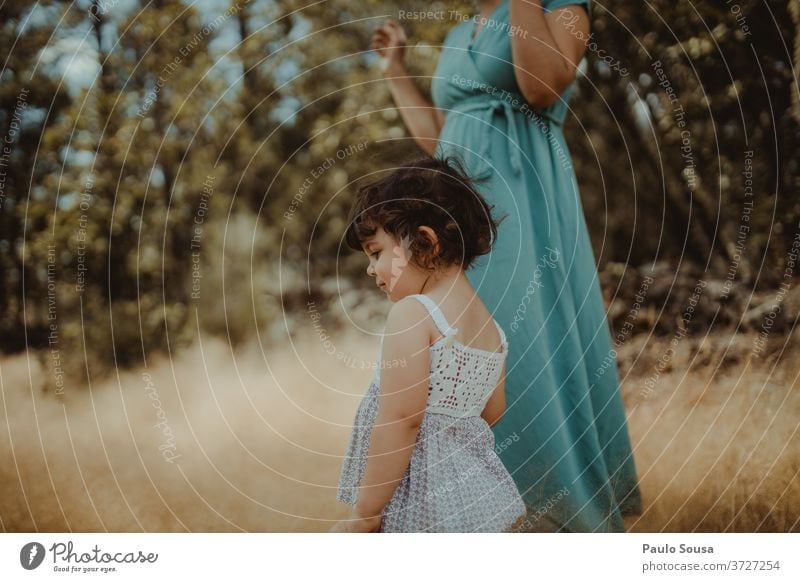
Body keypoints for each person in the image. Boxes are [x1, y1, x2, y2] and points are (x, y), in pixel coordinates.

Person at [370, 0, 642, 532]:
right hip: (461, 208)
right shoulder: (457, 36)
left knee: (528, 333)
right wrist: (396, 70)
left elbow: (542, 86)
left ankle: (558, 509)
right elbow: (441, 138)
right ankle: (472, 510)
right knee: (464, 340)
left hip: (522, 196)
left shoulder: (561, 6)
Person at [330, 156, 526, 532]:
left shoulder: (415, 313)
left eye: (376, 252)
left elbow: (401, 418)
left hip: (420, 499)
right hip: (473, 497)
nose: (371, 269)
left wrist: (366, 512)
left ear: (425, 241)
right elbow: (491, 412)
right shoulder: (494, 331)